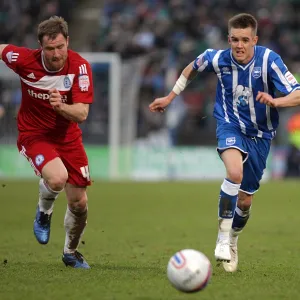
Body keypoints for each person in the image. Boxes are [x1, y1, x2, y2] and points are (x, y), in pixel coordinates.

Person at [149, 13, 300, 272]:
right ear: (228, 39)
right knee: (233, 171)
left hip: (261, 136)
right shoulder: (218, 58)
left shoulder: (269, 61)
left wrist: (276, 102)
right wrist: (171, 96)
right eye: (234, 40)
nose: (239, 45)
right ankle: (221, 236)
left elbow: (297, 94)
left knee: (245, 201)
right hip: (229, 125)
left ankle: (233, 239)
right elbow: (191, 69)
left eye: (244, 40)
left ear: (255, 39)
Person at [0, 16, 94, 268]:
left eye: (60, 47)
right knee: (56, 177)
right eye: (50, 48)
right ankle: (44, 212)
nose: (56, 54)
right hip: (34, 135)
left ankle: (70, 252)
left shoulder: (80, 67)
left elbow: (82, 114)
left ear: (68, 42)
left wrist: (61, 106)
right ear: (40, 47)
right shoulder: (24, 60)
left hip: (68, 138)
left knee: (79, 203)